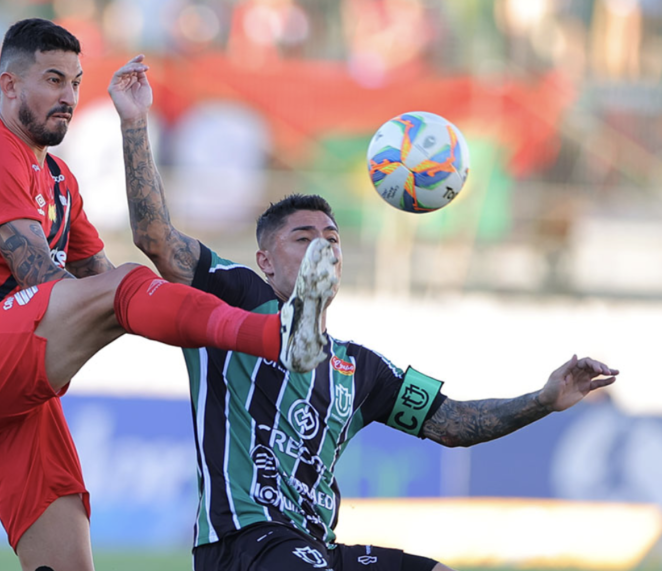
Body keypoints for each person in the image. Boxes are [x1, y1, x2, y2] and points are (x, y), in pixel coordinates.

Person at [108, 57, 620, 571]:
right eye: (303, 237)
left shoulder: (361, 370)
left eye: (332, 239)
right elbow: (155, 238)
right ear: (265, 260)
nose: (322, 247)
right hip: (244, 540)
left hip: (315, 545)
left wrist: (544, 399)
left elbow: (453, 424)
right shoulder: (234, 295)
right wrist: (135, 122)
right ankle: (292, 334)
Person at [0, 19, 336, 571]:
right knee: (124, 286)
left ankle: (260, 332)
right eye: (53, 80)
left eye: (76, 83)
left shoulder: (59, 182)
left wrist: (134, 124)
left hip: (8, 401)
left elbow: (115, 277)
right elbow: (56, 280)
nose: (68, 97)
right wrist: (142, 312)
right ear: (8, 85)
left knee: (68, 561)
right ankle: (277, 334)